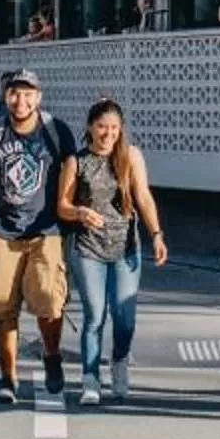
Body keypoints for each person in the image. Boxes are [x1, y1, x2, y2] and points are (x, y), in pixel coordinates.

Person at [0, 68, 79, 406]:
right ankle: (7, 376)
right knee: (1, 306)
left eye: (28, 93)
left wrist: (70, 207)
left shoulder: (55, 130)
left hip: (46, 230)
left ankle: (52, 355)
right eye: (15, 93)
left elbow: (73, 166)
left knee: (49, 300)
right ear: (5, 96)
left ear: (38, 97)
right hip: (2, 230)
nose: (21, 100)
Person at [57, 98, 167, 407]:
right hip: (88, 248)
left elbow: (143, 196)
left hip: (126, 247)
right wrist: (79, 212)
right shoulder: (75, 162)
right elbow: (62, 207)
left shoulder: (131, 157)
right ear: (90, 128)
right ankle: (90, 379)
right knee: (95, 316)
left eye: (114, 128)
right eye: (102, 127)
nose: (108, 134)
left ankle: (119, 363)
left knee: (125, 317)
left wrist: (156, 234)